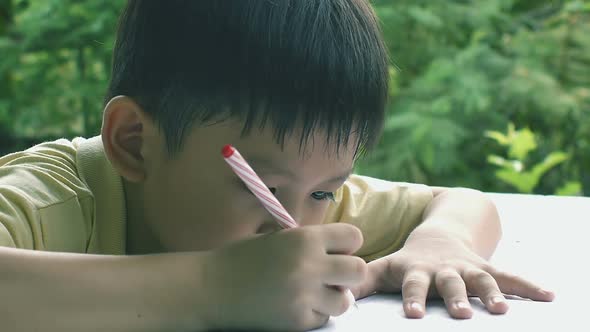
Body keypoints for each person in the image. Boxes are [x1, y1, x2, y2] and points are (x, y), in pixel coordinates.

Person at [0, 1, 554, 331]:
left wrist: (437, 244)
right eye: (258, 186)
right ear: (135, 142)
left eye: (323, 192)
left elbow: (458, 202)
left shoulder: (304, 198)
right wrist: (211, 287)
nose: (293, 226)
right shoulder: (50, 200)